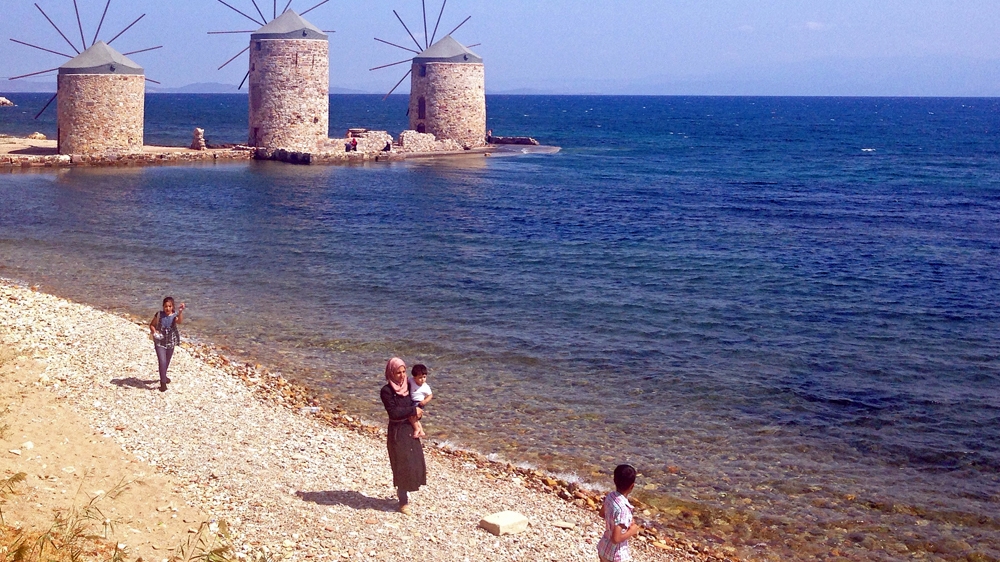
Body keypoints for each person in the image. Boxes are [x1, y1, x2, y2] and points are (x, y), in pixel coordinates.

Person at [380, 357, 427, 514]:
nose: (401, 376)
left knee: (415, 462)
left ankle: (408, 492)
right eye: (397, 373)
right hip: (397, 432)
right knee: (402, 465)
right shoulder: (386, 391)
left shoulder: (409, 386)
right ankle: (403, 502)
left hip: (409, 428)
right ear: (391, 373)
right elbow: (393, 412)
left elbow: (417, 401)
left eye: (403, 372)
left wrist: (418, 413)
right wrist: (413, 411)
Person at [597, 464, 640, 562]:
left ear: (614, 480)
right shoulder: (623, 510)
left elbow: (602, 513)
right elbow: (616, 539)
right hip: (616, 555)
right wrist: (632, 531)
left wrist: (615, 520)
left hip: (604, 547)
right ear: (632, 486)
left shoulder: (610, 496)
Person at [149, 297, 185, 392]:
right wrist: (154, 332)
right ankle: (163, 383)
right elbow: (151, 325)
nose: (167, 308)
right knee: (162, 361)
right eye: (165, 306)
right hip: (159, 341)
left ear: (172, 307)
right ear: (163, 307)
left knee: (167, 361)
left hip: (170, 342)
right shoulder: (159, 315)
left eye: (169, 306)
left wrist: (180, 312)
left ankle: (164, 376)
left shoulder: (175, 316)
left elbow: (180, 321)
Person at [407, 364, 433, 439]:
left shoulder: (425, 386)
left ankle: (416, 429)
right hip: (412, 401)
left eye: (424, 377)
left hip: (419, 402)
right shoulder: (411, 381)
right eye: (420, 378)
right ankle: (421, 431)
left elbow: (430, 395)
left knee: (412, 416)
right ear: (414, 377)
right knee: (414, 418)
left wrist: (425, 401)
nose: (422, 379)